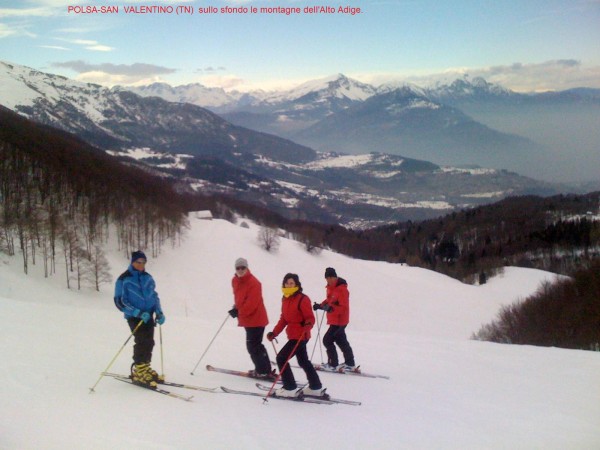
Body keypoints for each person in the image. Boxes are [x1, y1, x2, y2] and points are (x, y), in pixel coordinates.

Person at [267, 273, 326, 398]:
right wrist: (274, 333)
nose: (289, 285)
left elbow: (310, 317)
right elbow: (284, 319)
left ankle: (290, 388)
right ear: (284, 284)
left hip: (300, 336)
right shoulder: (285, 298)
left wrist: (307, 326)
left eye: (292, 283)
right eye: (287, 283)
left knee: (281, 358)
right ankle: (315, 387)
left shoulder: (302, 299)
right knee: (303, 361)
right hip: (293, 335)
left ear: (297, 284)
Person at [114, 250, 165, 389]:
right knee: (141, 341)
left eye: (143, 262)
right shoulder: (124, 279)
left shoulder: (148, 277)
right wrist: (136, 312)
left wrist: (159, 312)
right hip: (135, 317)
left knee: (150, 342)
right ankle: (139, 371)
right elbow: (119, 302)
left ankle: (145, 367)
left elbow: (154, 296)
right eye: (138, 262)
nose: (141, 265)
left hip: (149, 315)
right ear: (132, 262)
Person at [229, 257, 273, 379]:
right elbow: (240, 298)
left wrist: (238, 312)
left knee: (252, 346)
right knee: (256, 345)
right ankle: (265, 369)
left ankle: (262, 371)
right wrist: (235, 307)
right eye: (238, 268)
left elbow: (251, 305)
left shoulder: (254, 283)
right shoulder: (235, 281)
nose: (240, 270)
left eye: (243, 267)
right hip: (248, 319)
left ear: (247, 268)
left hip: (257, 319)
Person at [313, 267, 357, 372]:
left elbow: (343, 307)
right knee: (341, 340)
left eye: (331, 277)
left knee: (327, 340)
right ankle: (350, 363)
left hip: (340, 320)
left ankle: (333, 364)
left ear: (335, 277)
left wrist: (332, 309)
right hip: (335, 320)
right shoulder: (330, 288)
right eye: (327, 278)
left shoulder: (342, 289)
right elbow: (329, 300)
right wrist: (320, 305)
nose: (329, 280)